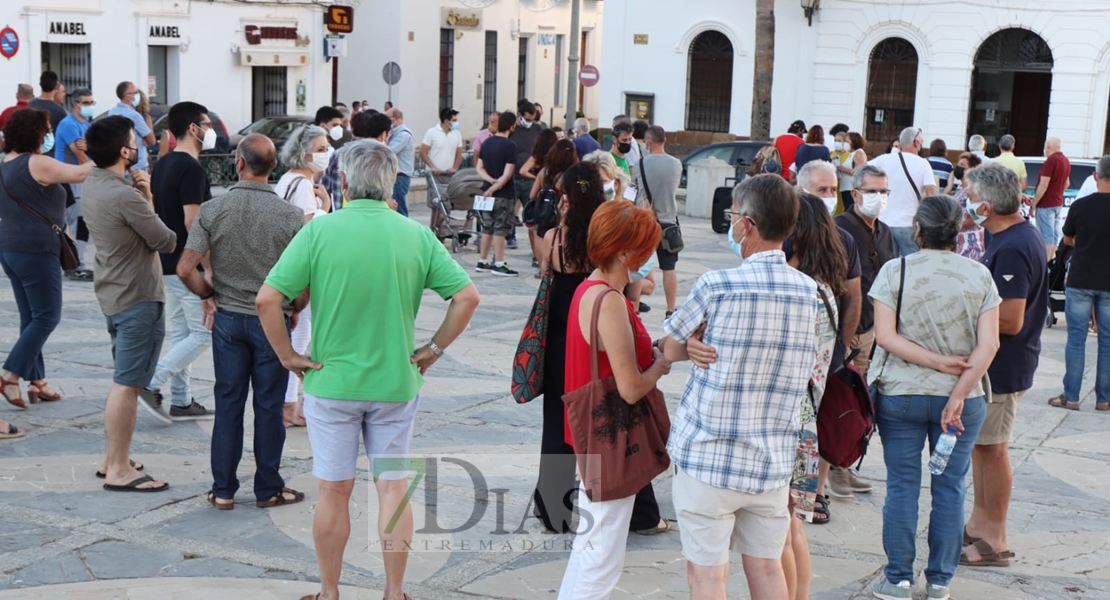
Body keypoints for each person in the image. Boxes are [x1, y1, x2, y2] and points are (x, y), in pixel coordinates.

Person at [257, 139, 480, 600]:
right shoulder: (413, 234)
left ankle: (330, 591)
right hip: (395, 383)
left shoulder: (319, 232)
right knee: (393, 489)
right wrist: (435, 348)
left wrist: (286, 356)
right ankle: (394, 592)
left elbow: (268, 298)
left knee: (333, 492)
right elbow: (467, 296)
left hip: (331, 381)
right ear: (389, 183)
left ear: (343, 181)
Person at [658, 174, 818, 600]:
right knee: (767, 572)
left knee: (708, 577)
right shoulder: (810, 292)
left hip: (709, 456)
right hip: (770, 459)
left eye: (732, 217)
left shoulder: (718, 285)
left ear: (745, 224)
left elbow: (667, 349)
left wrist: (689, 344)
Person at [868, 195, 1000, 600]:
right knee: (950, 487)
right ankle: (940, 581)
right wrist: (958, 392)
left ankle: (898, 578)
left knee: (902, 487)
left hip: (902, 396)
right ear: (959, 233)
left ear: (918, 230)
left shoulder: (896, 270)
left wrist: (934, 361)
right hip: (961, 404)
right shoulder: (979, 276)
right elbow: (989, 345)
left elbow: (886, 337)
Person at [176, 133, 307, 509]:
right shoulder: (291, 216)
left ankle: (222, 490)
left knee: (228, 403)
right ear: (273, 167)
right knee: (268, 407)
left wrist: (208, 295)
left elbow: (186, 268)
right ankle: (268, 488)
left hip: (229, 320)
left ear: (238, 162)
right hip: (272, 322)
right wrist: (294, 307)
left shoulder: (214, 209)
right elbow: (304, 281)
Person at [557, 200, 668, 600]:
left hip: (594, 436)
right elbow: (631, 387)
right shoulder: (610, 301)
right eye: (646, 249)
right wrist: (663, 363)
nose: (650, 258)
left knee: (591, 549)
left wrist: (654, 350)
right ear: (624, 252)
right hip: (610, 438)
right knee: (601, 557)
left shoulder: (591, 290)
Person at [81, 115, 178, 491]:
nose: (139, 145)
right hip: (137, 296)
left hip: (113, 292)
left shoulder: (95, 182)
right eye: (134, 140)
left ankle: (112, 458)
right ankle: (120, 468)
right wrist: (148, 196)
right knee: (128, 384)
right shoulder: (125, 194)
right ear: (125, 151)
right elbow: (165, 240)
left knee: (125, 379)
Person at [961, 163, 1047, 568]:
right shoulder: (1008, 236)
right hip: (996, 364)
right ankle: (979, 524)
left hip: (1004, 364)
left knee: (993, 450)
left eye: (969, 193)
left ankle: (995, 536)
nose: (966, 200)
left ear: (988, 204)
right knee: (981, 448)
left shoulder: (1013, 244)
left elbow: (1010, 319)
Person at [0, 108, 91, 433]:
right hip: (37, 249)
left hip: (10, 250)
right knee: (47, 316)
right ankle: (10, 375)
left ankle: (37, 381)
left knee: (31, 317)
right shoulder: (34, 163)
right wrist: (98, 152)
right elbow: (82, 174)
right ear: (36, 134)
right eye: (46, 129)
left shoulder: (5, 162)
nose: (49, 134)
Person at [532, 161, 607, 534]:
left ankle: (552, 508)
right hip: (595, 337)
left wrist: (560, 222)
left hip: (559, 340)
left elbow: (545, 272)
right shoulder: (605, 238)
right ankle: (612, 498)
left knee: (555, 422)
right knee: (598, 420)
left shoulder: (555, 237)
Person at [792, 161, 868, 507]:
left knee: (823, 418)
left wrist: (844, 344)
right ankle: (796, 490)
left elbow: (854, 296)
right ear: (800, 190)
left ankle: (814, 491)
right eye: (821, 190)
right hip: (790, 346)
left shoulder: (844, 239)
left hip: (828, 350)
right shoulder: (786, 235)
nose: (828, 197)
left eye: (832, 190)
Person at [143, 101, 215, 422]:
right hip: (187, 266)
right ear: (193, 128)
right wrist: (209, 269)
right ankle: (152, 384)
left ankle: (183, 400)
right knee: (203, 333)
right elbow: (193, 223)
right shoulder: (191, 168)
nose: (210, 129)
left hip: (166, 261)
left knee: (185, 333)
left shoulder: (163, 163)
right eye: (207, 124)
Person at [274, 124, 332, 425]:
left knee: (295, 336)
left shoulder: (286, 180)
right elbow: (311, 232)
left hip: (285, 268)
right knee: (301, 337)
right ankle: (290, 405)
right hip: (304, 274)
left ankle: (290, 403)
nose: (326, 154)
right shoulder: (305, 187)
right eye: (321, 150)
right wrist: (326, 206)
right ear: (304, 153)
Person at [1050, 155, 1110, 412]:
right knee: (1107, 341)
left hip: (1081, 278)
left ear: (1096, 176)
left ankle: (1071, 395)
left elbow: (1067, 238)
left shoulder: (1081, 205)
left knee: (1076, 338)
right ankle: (1104, 398)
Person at [835, 165, 897, 378]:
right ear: (855, 194)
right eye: (871, 191)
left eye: (883, 192)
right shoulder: (838, 230)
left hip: (872, 327)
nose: (879, 197)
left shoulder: (885, 232)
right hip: (843, 327)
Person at [868, 127, 939, 256]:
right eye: (921, 143)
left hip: (884, 222)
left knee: (889, 265)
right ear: (916, 143)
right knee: (915, 264)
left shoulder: (884, 159)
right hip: (909, 222)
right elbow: (931, 193)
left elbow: (859, 171)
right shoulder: (923, 164)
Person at [637, 126, 682, 317]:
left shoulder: (641, 163)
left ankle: (633, 304)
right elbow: (675, 187)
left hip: (645, 221)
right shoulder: (676, 164)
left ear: (648, 142)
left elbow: (636, 188)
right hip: (669, 223)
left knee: (636, 265)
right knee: (669, 269)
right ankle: (670, 309)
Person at [55, 87, 96, 280]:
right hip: (70, 178)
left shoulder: (86, 125)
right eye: (86, 103)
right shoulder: (68, 125)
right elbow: (81, 156)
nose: (89, 106)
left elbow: (92, 149)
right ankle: (75, 263)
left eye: (91, 103)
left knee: (82, 222)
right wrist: (90, 150)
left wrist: (90, 147)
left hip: (81, 178)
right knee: (74, 221)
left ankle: (77, 262)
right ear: (75, 104)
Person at [474, 110, 519, 277]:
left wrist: (489, 181)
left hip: (487, 193)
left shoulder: (487, 142)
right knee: (500, 228)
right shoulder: (510, 146)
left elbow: (479, 167)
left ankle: (483, 260)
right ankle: (499, 262)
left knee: (487, 227)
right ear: (512, 126)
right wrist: (495, 186)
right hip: (503, 193)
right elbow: (507, 175)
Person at [321, 111, 393, 212]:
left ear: (352, 130)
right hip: (371, 215)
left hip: (339, 214)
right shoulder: (379, 157)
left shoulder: (338, 153)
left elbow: (325, 186)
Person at [529, 138, 578, 276]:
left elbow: (532, 195)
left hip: (544, 214)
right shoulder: (570, 175)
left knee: (541, 237)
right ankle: (559, 267)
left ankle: (543, 269)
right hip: (561, 214)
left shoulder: (544, 172)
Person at [509, 99, 544, 249]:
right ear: (519, 115)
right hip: (512, 177)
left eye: (532, 119)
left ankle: (536, 251)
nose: (529, 122)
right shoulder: (511, 130)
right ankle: (510, 236)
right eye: (527, 119)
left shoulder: (537, 130)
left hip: (531, 179)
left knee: (533, 216)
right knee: (509, 212)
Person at [521, 128, 558, 264]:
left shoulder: (536, 156)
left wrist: (536, 177)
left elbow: (523, 170)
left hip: (539, 194)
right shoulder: (556, 156)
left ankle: (538, 260)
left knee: (537, 232)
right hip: (554, 194)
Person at [1029, 136, 1070, 261]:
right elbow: (1067, 183)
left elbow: (1044, 184)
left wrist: (1034, 203)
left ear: (1048, 147)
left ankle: (1044, 265)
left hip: (1046, 204)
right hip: (1057, 203)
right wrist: (1057, 192)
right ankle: (1051, 262)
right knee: (1053, 236)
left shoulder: (1051, 161)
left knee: (1045, 236)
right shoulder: (1065, 160)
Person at [946, 152, 986, 263]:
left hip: (970, 241)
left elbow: (979, 215)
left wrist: (960, 225)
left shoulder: (974, 189)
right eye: (958, 164)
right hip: (958, 239)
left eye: (963, 166)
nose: (959, 168)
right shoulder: (960, 187)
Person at [107, 82, 155, 172]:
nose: (138, 95)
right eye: (135, 93)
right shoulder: (134, 115)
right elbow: (152, 140)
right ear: (127, 96)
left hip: (120, 163)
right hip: (137, 164)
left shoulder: (112, 112)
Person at [420, 107, 463, 198]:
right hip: (434, 174)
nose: (456, 122)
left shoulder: (457, 134)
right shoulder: (432, 132)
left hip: (449, 174)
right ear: (446, 120)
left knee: (446, 202)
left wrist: (455, 168)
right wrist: (433, 167)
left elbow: (459, 154)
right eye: (454, 120)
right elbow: (423, 152)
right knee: (435, 201)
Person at [386, 108, 415, 216]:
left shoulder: (403, 135)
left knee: (399, 211)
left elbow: (388, 152)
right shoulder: (395, 133)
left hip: (400, 177)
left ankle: (403, 232)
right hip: (397, 177)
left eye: (388, 119)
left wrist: (386, 140)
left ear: (396, 119)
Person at [836, 131, 868, 212]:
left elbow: (860, 171)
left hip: (851, 188)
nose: (845, 144)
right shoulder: (851, 153)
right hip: (845, 188)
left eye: (847, 141)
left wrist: (843, 169)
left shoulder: (859, 153)